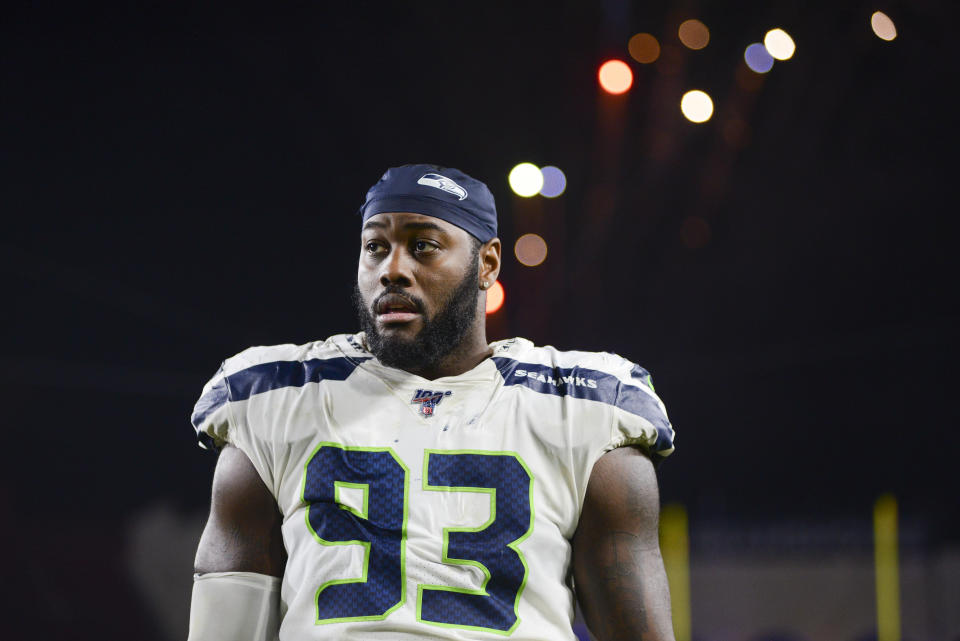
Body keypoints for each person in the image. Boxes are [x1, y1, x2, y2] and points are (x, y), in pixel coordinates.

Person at [188, 164, 677, 641]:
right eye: (375, 247)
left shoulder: (583, 404)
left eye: (423, 246)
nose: (392, 270)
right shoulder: (276, 396)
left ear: (487, 264)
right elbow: (227, 616)